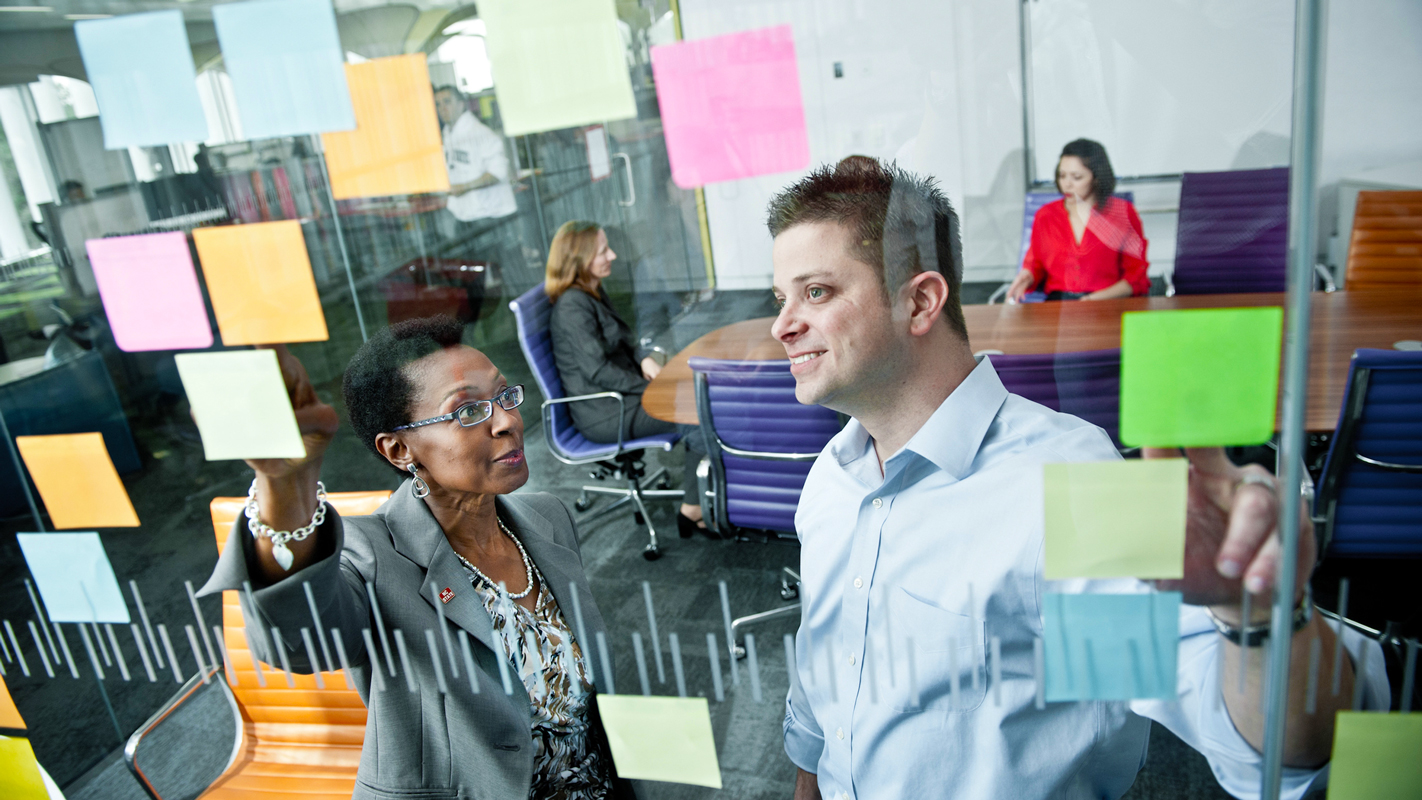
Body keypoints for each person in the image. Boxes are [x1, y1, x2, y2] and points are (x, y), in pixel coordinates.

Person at [766, 158, 1389, 799]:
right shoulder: (833, 480)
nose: (783, 324)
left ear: (920, 301)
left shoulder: (1063, 486)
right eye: (780, 297)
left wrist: (1255, 615)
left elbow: (1268, 747)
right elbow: (829, 671)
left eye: (816, 292)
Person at [198, 317, 630, 799]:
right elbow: (300, 642)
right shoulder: (372, 556)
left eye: (505, 396)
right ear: (400, 449)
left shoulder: (547, 516)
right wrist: (288, 485)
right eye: (467, 411)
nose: (507, 421)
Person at [545, 220, 708, 537]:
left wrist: (642, 357)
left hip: (621, 394)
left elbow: (623, 339)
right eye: (603, 251)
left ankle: (709, 490)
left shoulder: (591, 289)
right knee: (697, 412)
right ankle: (692, 510)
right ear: (579, 260)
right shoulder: (572, 306)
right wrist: (652, 388)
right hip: (605, 412)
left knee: (696, 390)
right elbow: (597, 371)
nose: (613, 255)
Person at [1006, 138, 1150, 302]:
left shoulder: (1123, 213)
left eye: (1076, 177)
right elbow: (1036, 264)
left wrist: (1091, 300)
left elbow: (1136, 277)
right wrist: (1028, 275)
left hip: (1106, 301)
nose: (1067, 184)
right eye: (1062, 176)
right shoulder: (1046, 215)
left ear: (1096, 177)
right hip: (1058, 305)